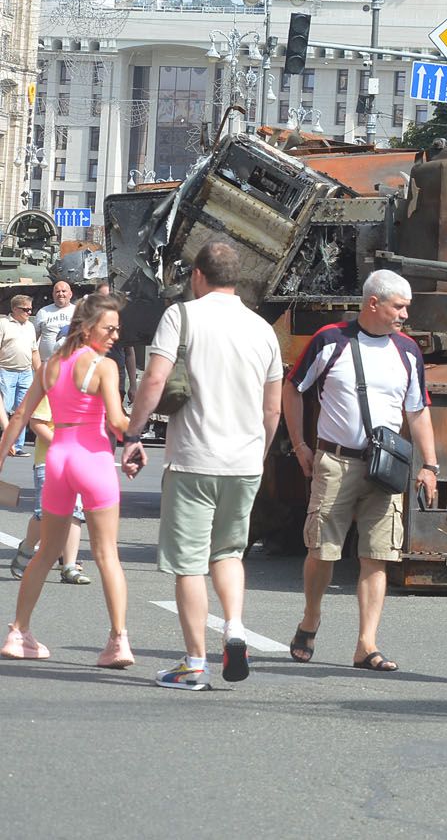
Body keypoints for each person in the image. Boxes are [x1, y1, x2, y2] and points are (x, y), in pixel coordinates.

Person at [122, 241, 283, 692]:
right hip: (245, 460)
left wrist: (133, 435)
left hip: (194, 458)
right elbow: (273, 410)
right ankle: (234, 628)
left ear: (197, 275)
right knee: (228, 553)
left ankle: (195, 663)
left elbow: (154, 379)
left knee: (189, 564)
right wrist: (261, 450)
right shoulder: (262, 329)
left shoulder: (182, 316)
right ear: (237, 279)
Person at [283, 269, 438, 672]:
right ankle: (311, 617)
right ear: (374, 303)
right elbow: (293, 388)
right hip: (335, 461)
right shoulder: (330, 340)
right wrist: (299, 444)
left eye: (406, 307)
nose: (405, 315)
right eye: (399, 307)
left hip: (386, 465)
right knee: (322, 549)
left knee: (378, 554)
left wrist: (430, 465)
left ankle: (366, 643)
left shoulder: (407, 352)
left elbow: (417, 411)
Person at [0, 292, 133, 666]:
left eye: (117, 330)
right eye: (108, 329)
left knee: (45, 552)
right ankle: (118, 641)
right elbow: (118, 422)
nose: (114, 336)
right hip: (93, 457)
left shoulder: (50, 366)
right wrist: (139, 427)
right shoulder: (104, 367)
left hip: (58, 458)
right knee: (108, 554)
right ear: (88, 326)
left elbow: (19, 417)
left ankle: (18, 632)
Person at [6, 392, 93, 586]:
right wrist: (62, 446)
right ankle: (28, 547)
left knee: (75, 512)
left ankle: (69, 566)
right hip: (49, 461)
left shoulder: (89, 392)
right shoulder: (52, 389)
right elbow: (36, 424)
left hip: (78, 461)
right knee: (44, 514)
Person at [0, 293, 40, 453]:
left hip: (25, 372)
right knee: (5, 408)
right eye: (25, 309)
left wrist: (39, 373)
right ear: (15, 309)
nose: (29, 313)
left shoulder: (30, 326)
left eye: (31, 309)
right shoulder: (3, 324)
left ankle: (17, 446)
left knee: (22, 410)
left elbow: (34, 352)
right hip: (6, 371)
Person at [33, 280, 75, 362]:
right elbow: (34, 338)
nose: (60, 294)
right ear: (53, 295)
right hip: (47, 363)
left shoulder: (78, 311)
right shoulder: (43, 312)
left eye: (64, 291)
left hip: (70, 363)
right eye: (57, 292)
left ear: (70, 294)